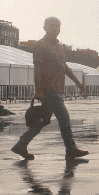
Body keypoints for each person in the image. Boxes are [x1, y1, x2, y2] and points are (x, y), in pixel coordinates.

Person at [11, 17, 88, 160]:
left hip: (57, 89)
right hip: (49, 90)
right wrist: (38, 90)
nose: (54, 28)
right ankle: (71, 150)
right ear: (44, 28)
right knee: (64, 119)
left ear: (60, 29)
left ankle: (21, 145)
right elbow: (37, 69)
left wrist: (78, 82)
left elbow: (64, 67)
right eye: (51, 25)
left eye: (57, 26)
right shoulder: (41, 45)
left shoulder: (59, 47)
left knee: (41, 121)